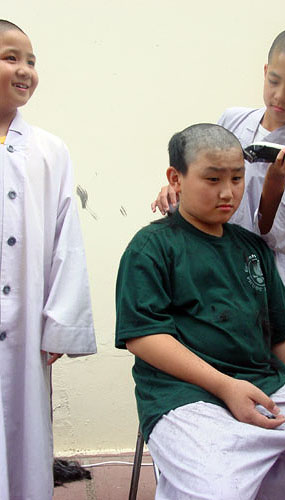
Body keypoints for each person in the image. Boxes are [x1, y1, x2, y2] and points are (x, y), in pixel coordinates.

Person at [116, 124, 285, 500]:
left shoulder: (252, 248)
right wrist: (226, 386)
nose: (228, 192)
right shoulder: (152, 247)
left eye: (237, 178)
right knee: (216, 491)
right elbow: (144, 336)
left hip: (266, 387)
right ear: (176, 178)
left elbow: (282, 335)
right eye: (212, 179)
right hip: (185, 397)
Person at [152, 27, 285, 303]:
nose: (280, 95)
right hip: (206, 267)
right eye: (274, 81)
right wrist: (178, 190)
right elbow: (203, 179)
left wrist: (276, 180)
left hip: (259, 287)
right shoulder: (233, 120)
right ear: (264, 72)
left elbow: (282, 240)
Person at [0, 20, 96, 500]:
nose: (24, 70)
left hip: (24, 328)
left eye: (31, 60)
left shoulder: (50, 151)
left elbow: (67, 240)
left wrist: (60, 323)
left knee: (23, 434)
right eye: (10, 57)